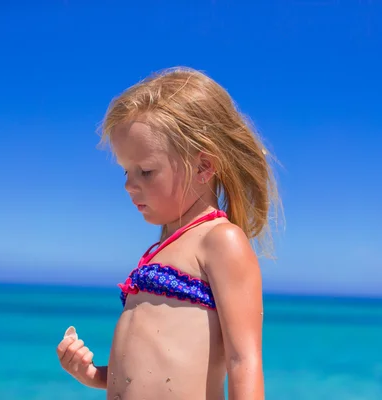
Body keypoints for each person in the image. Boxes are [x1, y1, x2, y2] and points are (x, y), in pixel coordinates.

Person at [56, 66, 282, 400]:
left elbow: (243, 359)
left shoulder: (220, 240)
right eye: (126, 172)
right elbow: (152, 369)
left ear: (204, 167)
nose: (129, 185)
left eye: (146, 171)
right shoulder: (158, 251)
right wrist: (93, 375)